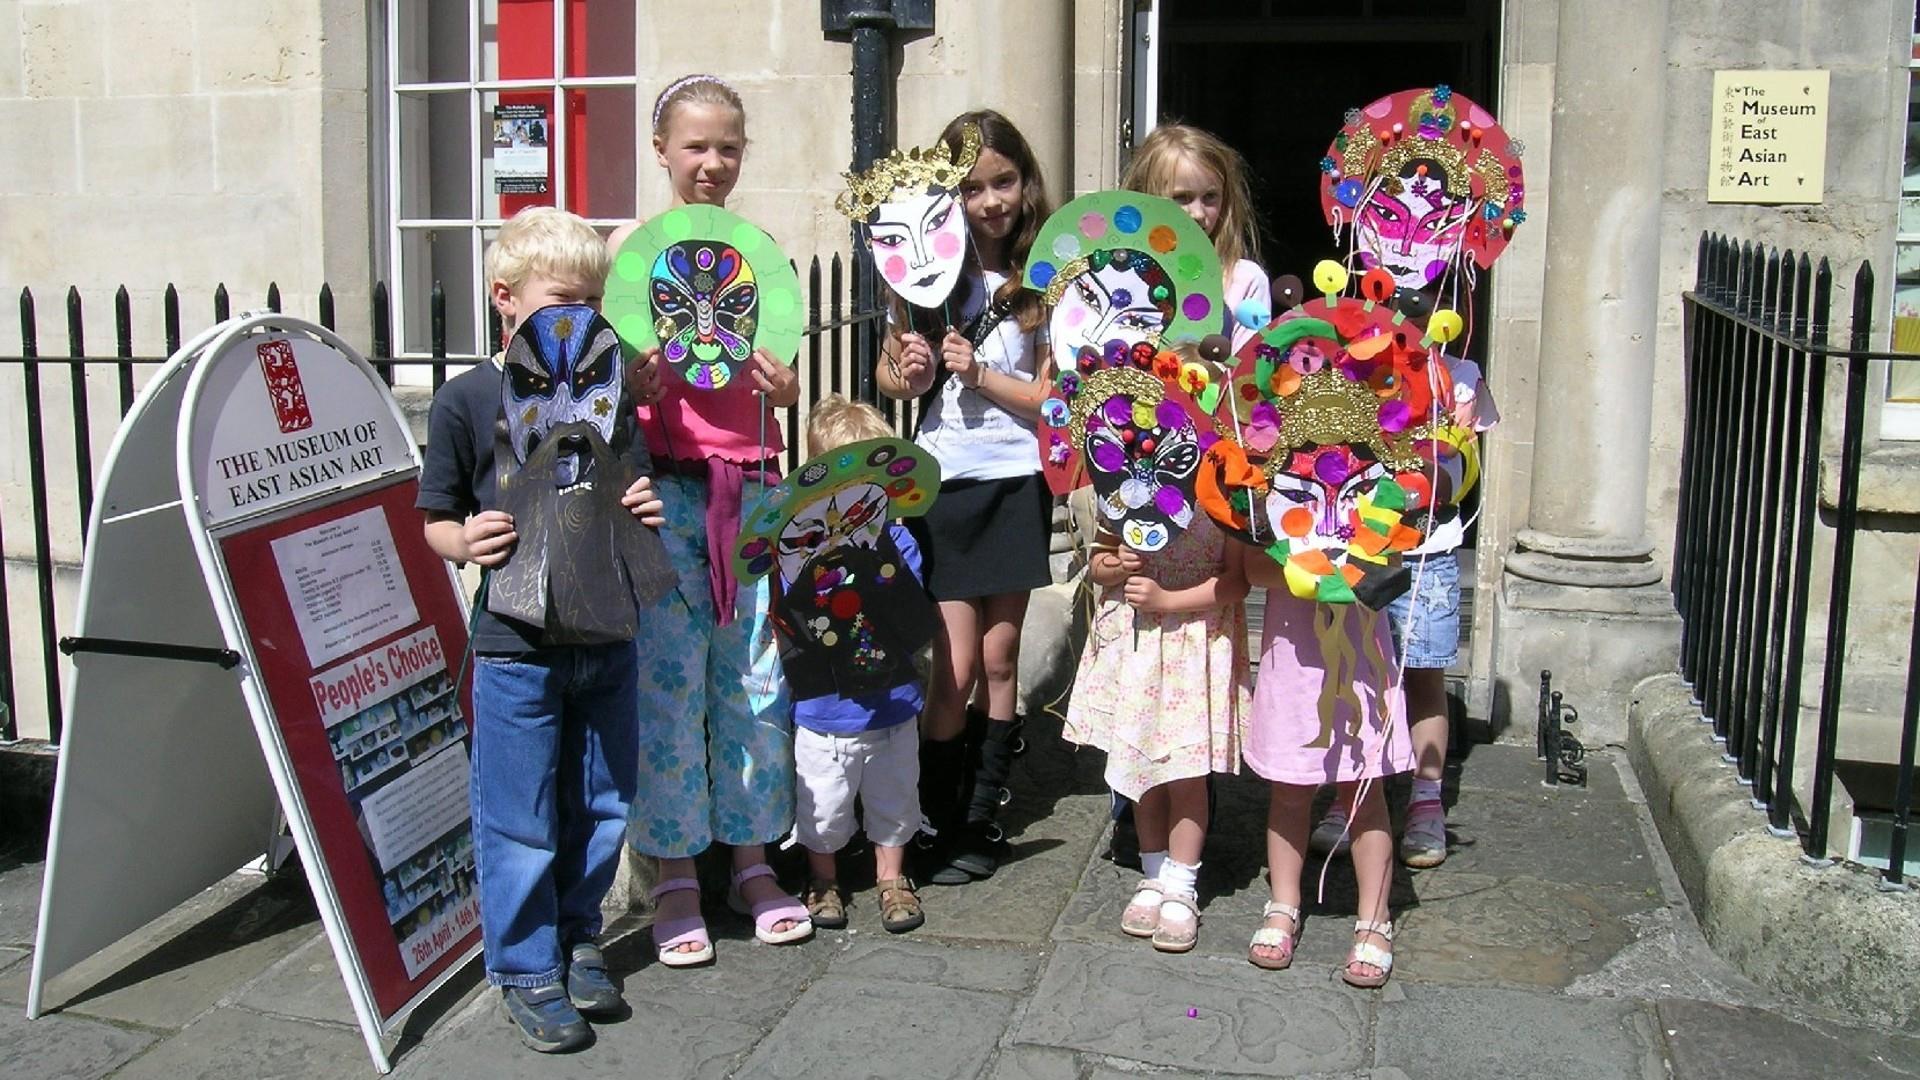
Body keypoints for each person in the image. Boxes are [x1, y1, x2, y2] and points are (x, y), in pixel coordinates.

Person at [417, 206, 666, 1051]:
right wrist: (465, 539)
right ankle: (525, 965)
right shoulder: (467, 399)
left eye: (595, 303)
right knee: (518, 810)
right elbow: (435, 518)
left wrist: (643, 505)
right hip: (515, 643)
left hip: (606, 631)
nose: (585, 319)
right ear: (505, 298)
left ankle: (578, 935)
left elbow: (632, 491)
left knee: (602, 800)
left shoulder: (613, 392)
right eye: (566, 298)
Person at [610, 74, 810, 968]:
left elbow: (779, 373)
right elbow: (593, 389)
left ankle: (753, 859)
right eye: (695, 145)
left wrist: (789, 393)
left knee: (755, 678)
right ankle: (677, 872)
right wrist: (633, 385)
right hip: (667, 491)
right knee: (669, 681)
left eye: (728, 146)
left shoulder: (758, 249)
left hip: (753, 485)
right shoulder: (627, 250)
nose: (712, 162)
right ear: (661, 150)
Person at [874, 109, 1056, 885]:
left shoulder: (1047, 277)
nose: (990, 201)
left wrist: (979, 373)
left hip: (1015, 480)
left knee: (1001, 655)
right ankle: (930, 817)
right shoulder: (925, 276)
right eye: (973, 186)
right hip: (945, 482)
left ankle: (982, 817)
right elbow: (892, 377)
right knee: (951, 666)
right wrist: (912, 371)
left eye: (1004, 182)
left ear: (1025, 182)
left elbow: (1054, 397)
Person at [1310, 303, 1499, 870]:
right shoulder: (1347, 365)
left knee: (1422, 673)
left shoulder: (1461, 376)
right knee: (1355, 673)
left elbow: (1458, 471)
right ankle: (1353, 794)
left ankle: (1425, 798)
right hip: (1359, 544)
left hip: (1427, 547)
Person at [1065, 506, 1249, 953]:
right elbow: (1100, 559)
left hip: (1195, 635)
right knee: (1139, 760)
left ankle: (1182, 880)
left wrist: (1167, 600)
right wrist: (1116, 565)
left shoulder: (1224, 493)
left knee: (1186, 768)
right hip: (1137, 639)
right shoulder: (1128, 487)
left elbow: (1238, 580)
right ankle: (1153, 871)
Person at [784, 395, 931, 934]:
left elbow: (910, 601)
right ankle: (822, 879)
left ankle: (892, 877)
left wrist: (875, 568)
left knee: (895, 796)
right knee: (822, 805)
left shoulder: (896, 536)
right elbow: (788, 604)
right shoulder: (798, 545)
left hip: (890, 702)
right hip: (826, 707)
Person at [1241, 561, 1412, 987]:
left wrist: (1352, 561)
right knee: (1290, 785)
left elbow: (1392, 565)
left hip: (1361, 653)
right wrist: (1308, 569)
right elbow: (1252, 568)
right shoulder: (1271, 494)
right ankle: (1283, 903)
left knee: (1363, 789)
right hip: (1294, 653)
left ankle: (1374, 918)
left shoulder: (1375, 491)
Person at [1121, 124, 1270, 353]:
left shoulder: (1243, 279)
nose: (1198, 214)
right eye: (1182, 198)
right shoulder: (1120, 276)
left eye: (1210, 197)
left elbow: (1245, 375)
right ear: (1146, 198)